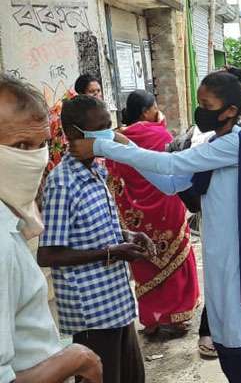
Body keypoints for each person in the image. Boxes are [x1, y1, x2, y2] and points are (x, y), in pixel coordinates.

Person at [69, 67, 241, 383]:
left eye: (207, 105)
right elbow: (172, 182)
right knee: (230, 336)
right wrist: (125, 146)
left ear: (231, 111)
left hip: (240, 259)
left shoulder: (232, 145)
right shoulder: (216, 142)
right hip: (221, 257)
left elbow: (171, 163)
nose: (201, 111)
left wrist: (101, 147)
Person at [37, 95, 153, 383]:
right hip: (91, 311)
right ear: (76, 134)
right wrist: (112, 253)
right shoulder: (63, 182)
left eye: (109, 126)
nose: (109, 135)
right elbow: (48, 254)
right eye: (100, 128)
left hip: (117, 302)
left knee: (131, 377)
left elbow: (93, 230)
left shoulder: (97, 170)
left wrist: (130, 235)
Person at [0, 75, 103, 383]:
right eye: (20, 145)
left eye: (40, 145)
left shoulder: (12, 220)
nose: (34, 159)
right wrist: (76, 358)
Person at [107, 90, 200, 337]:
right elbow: (172, 168)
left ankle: (152, 319)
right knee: (176, 256)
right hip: (165, 206)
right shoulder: (160, 133)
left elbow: (114, 177)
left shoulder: (118, 139)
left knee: (144, 260)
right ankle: (175, 317)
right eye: (155, 107)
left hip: (135, 212)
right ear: (147, 111)